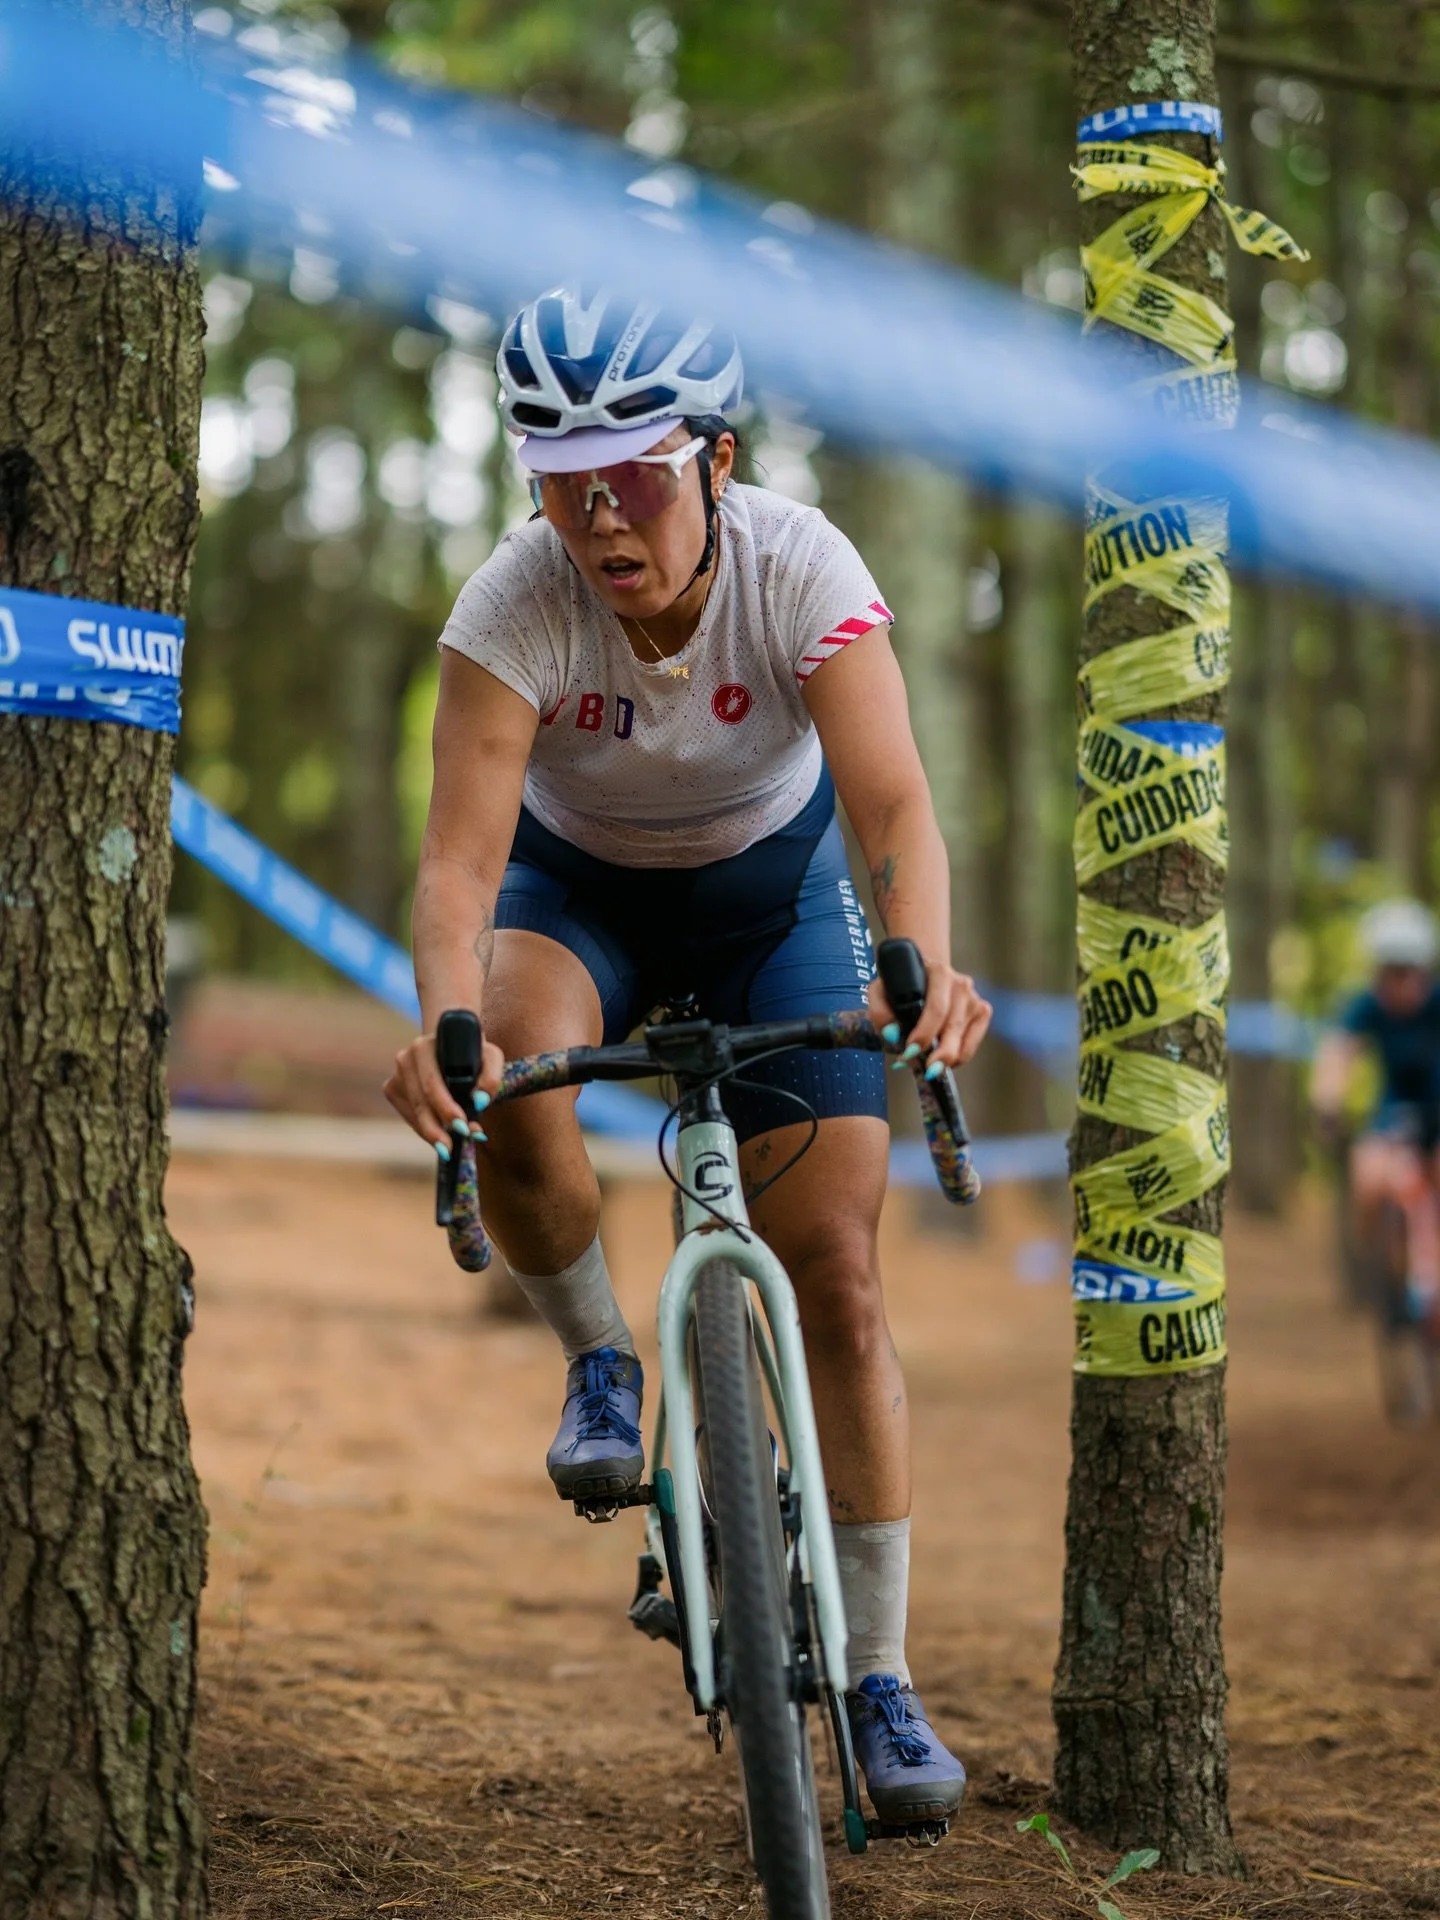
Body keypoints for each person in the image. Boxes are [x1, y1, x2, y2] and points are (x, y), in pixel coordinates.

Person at [384, 288, 991, 1825]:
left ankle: (880, 1673)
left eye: (636, 471)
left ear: (717, 459)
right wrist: (444, 1024)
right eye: (560, 474)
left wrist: (927, 965)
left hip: (773, 900)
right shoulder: (512, 602)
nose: (597, 512)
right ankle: (599, 1357)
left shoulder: (803, 566)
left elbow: (896, 809)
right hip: (577, 898)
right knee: (516, 1073)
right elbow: (459, 869)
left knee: (840, 1280)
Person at [1312, 898, 1440, 1329]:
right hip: (1392, 1113)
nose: (1396, 983)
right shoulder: (1366, 1005)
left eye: (1405, 972)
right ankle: (1387, 1275)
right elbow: (1337, 1054)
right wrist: (1328, 1105)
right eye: (1387, 972)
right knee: (1367, 1179)